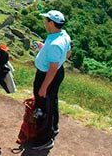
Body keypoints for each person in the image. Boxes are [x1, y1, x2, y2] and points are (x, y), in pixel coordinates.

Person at [30, 10, 72, 151]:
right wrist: (43, 48)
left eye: (46, 19)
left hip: (47, 75)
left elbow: (52, 69)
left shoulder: (55, 44)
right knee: (52, 102)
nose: (45, 22)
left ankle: (44, 139)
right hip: (56, 73)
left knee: (43, 106)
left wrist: (43, 87)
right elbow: (68, 53)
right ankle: (53, 127)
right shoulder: (62, 35)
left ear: (51, 23)